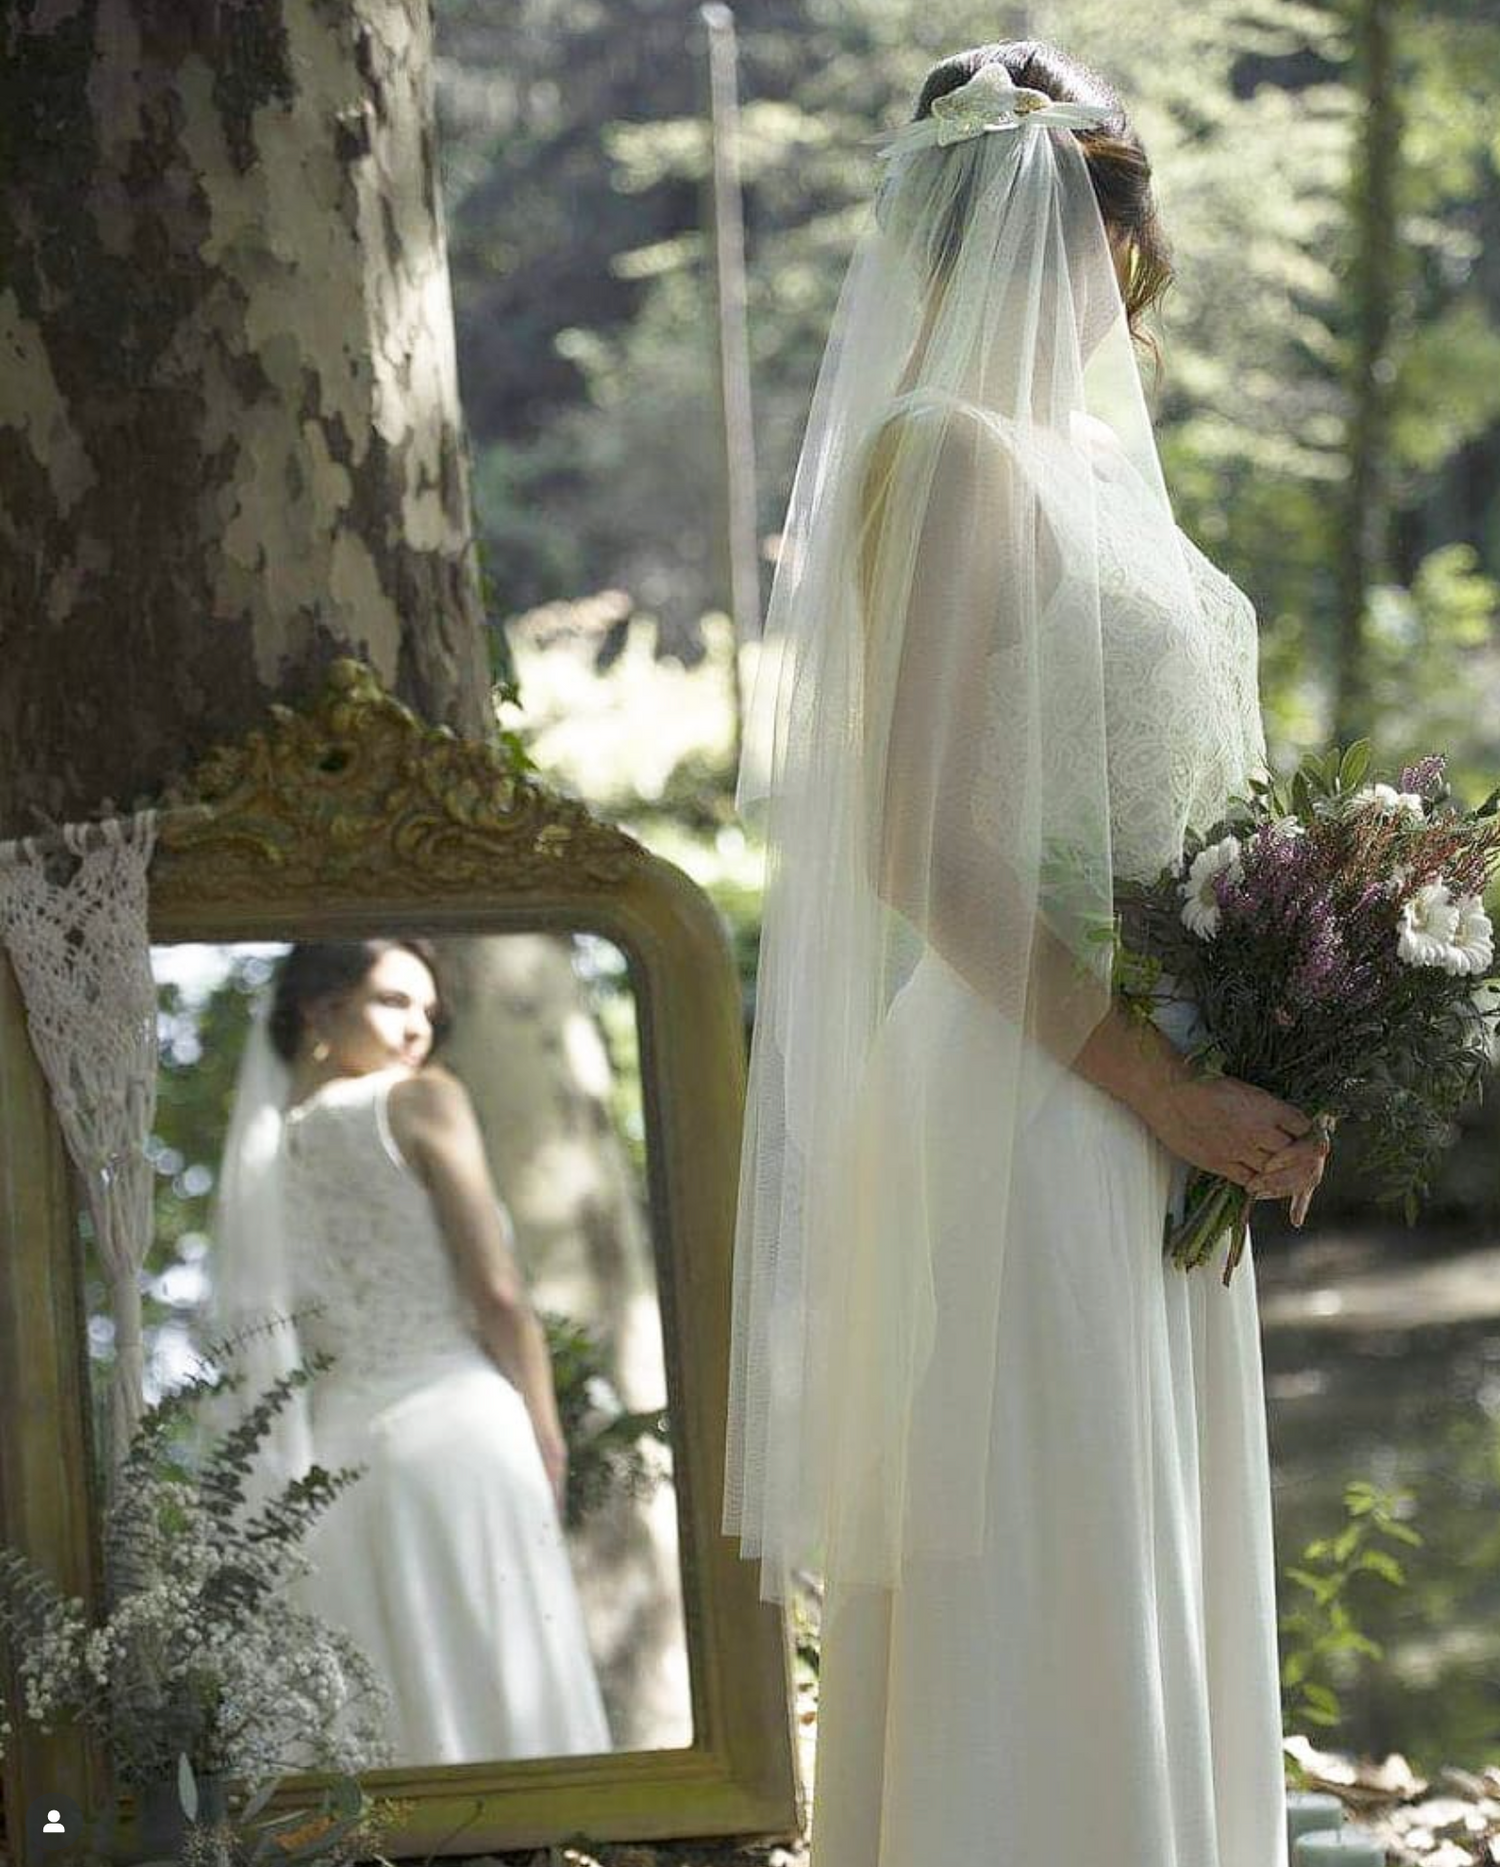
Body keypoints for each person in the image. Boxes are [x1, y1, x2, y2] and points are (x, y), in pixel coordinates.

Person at [724, 41, 1331, 1867]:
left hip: (1159, 1090)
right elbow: (917, 839)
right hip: (1036, 1095)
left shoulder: (1106, 471)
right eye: (1077, 221)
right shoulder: (946, 456)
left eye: (1109, 225)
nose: (1099, 265)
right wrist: (1165, 1084)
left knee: (1138, 1543)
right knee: (1053, 1556)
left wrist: (1293, 1025)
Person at [210, 939, 612, 1765]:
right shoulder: (425, 1099)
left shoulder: (258, 1162)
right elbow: (497, 1290)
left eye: (429, 1011)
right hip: (456, 1428)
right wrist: (546, 1430)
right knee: (504, 1689)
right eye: (393, 1001)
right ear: (320, 1010)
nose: (419, 1028)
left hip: (334, 1463)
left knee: (399, 1721)